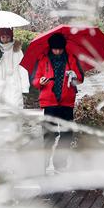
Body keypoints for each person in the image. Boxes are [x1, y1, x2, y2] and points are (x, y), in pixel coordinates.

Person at [31, 32, 84, 174]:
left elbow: (80, 78)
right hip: (50, 102)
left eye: (60, 49)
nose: (58, 51)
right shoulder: (43, 60)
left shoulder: (71, 58)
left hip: (67, 102)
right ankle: (44, 162)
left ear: (64, 47)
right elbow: (35, 79)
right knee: (49, 133)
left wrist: (74, 75)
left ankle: (59, 163)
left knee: (67, 132)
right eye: (55, 49)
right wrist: (40, 82)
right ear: (51, 48)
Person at [0, 28, 29, 111]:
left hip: (14, 83)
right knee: (0, 109)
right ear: (0, 37)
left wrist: (24, 87)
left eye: (8, 37)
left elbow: (23, 68)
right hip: (0, 83)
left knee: (15, 108)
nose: (5, 40)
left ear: (11, 37)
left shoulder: (17, 50)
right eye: (3, 37)